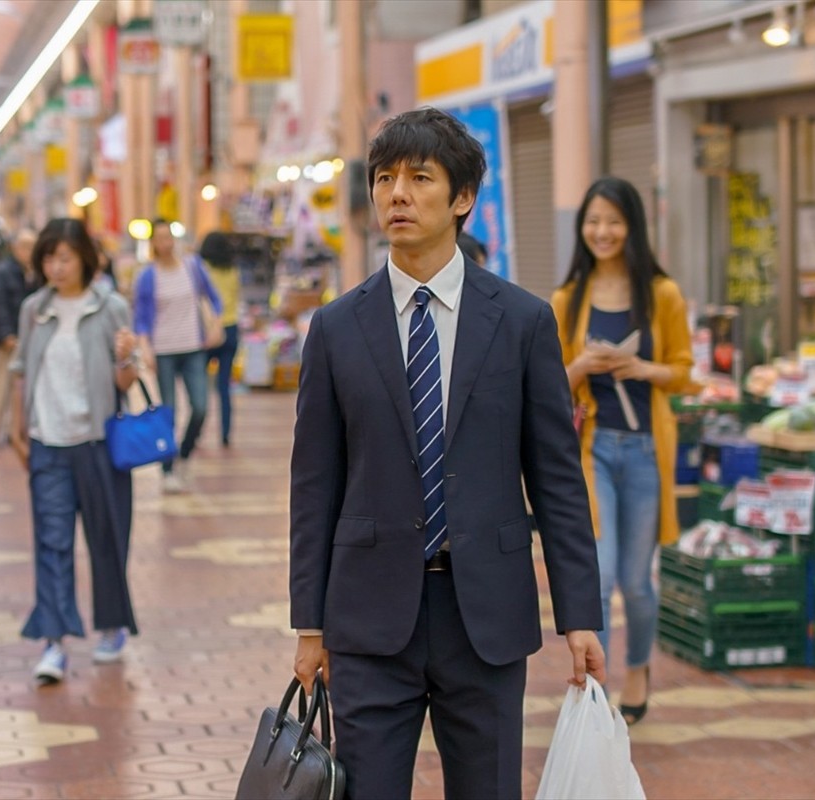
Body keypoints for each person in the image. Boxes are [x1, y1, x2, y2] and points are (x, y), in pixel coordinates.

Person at [289, 107, 605, 800]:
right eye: (384, 178)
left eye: (419, 178)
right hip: (369, 619)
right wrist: (309, 626)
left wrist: (580, 612)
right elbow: (315, 484)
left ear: (462, 198)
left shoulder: (522, 321)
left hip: (485, 617)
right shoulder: (339, 328)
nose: (396, 193)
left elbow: (556, 475)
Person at [550, 176, 694, 726]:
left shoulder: (662, 294)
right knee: (601, 574)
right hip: (592, 451)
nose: (602, 231)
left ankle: (639, 669)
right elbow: (547, 386)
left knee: (637, 581)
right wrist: (583, 366)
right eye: (592, 221)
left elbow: (684, 373)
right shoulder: (568, 299)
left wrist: (640, 368)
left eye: (613, 221)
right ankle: (598, 693)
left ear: (632, 226)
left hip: (645, 452)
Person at [9, 217, 141, 683]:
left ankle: (111, 625)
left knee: (107, 538)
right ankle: (54, 642)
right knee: (52, 542)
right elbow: (22, 368)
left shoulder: (110, 308)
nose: (56, 266)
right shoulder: (34, 309)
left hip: (99, 444)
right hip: (48, 444)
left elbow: (124, 382)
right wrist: (16, 429)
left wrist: (127, 356)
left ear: (86, 257)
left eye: (64, 257)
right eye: (48, 257)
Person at [131, 219, 222, 493]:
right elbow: (141, 318)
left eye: (168, 237)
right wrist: (145, 348)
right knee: (168, 411)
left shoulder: (192, 267)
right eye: (159, 239)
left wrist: (216, 325)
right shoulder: (148, 276)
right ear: (153, 244)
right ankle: (168, 467)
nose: (165, 243)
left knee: (201, 406)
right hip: (164, 350)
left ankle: (184, 451)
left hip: (193, 346)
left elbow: (214, 298)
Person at [0, 229, 38, 442]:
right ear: (15, 248)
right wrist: (6, 335)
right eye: (25, 246)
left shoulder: (35, 272)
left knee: (22, 392)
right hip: (6, 343)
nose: (29, 252)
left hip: (29, 341)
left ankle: (15, 430)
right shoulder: (2, 271)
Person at [200, 232, 241, 447]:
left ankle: (198, 430)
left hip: (209, 330)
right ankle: (225, 433)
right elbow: (236, 296)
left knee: (200, 384)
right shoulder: (232, 270)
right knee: (224, 386)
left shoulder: (202, 269)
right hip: (231, 329)